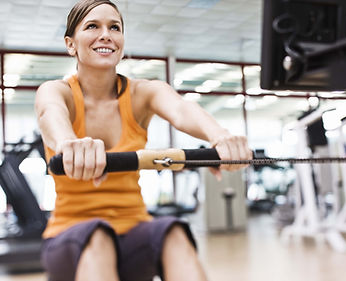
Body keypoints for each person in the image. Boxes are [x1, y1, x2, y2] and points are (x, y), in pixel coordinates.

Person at [35, 0, 252, 280]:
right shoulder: (57, 91)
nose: (106, 35)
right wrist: (69, 144)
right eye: (92, 26)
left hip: (134, 232)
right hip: (71, 236)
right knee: (98, 236)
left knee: (174, 232)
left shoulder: (142, 94)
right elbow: (49, 114)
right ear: (71, 44)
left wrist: (221, 138)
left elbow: (181, 109)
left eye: (115, 27)